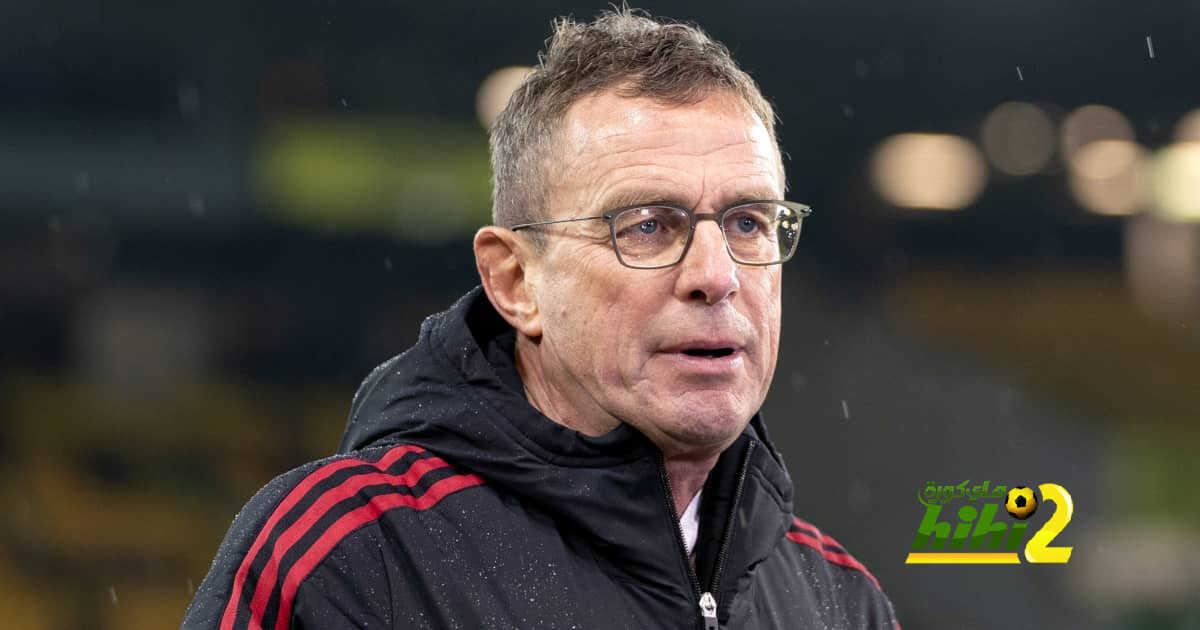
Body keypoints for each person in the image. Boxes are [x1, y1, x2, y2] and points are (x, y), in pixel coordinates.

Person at [183, 8, 899, 630]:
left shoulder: (842, 601)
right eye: (648, 226)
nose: (717, 276)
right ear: (515, 281)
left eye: (748, 222)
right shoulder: (352, 557)